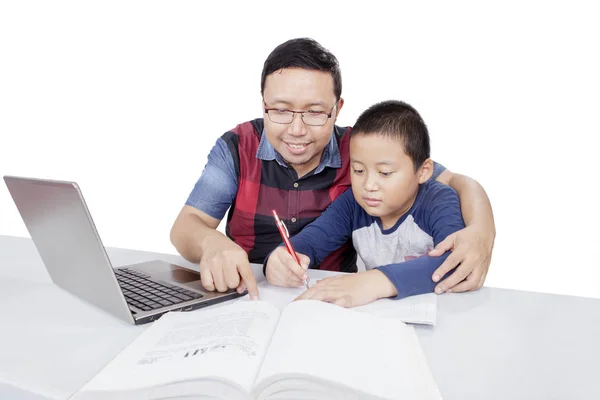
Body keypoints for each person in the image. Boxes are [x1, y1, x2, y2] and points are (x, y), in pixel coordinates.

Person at [169, 38, 495, 300]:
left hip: (331, 299)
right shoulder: (236, 146)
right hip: (246, 294)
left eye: (314, 112)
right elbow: (186, 226)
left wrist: (482, 230)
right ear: (263, 102)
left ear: (337, 109)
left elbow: (455, 183)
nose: (296, 130)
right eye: (280, 110)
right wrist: (216, 245)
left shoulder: (364, 149)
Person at [265, 99, 465, 306]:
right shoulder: (353, 203)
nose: (369, 185)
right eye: (359, 170)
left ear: (423, 171)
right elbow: (314, 238)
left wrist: (373, 282)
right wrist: (281, 258)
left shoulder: (439, 200)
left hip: (440, 315)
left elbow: (454, 261)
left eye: (385, 173)